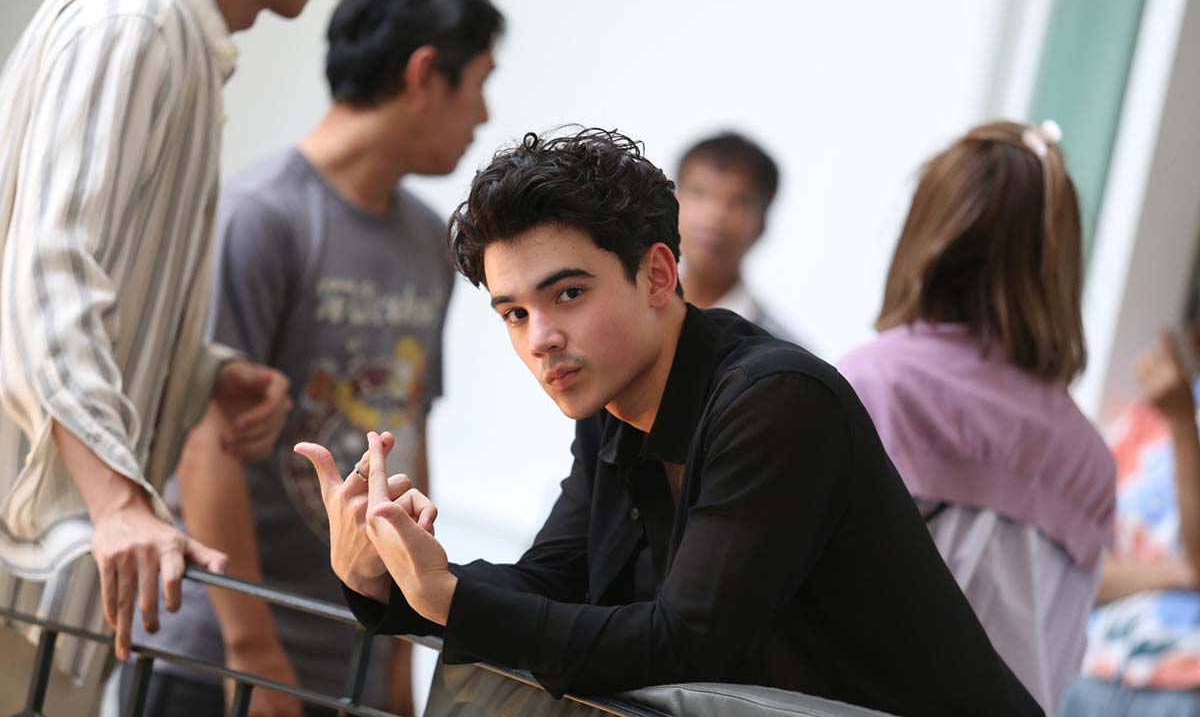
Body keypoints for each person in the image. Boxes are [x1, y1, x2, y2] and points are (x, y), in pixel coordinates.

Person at [296, 128, 1044, 715]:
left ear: (657, 275)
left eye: (567, 295)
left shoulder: (777, 400)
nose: (540, 338)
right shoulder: (609, 405)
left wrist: (448, 600)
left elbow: (684, 641)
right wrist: (384, 577)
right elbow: (554, 582)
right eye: (514, 313)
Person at [123, 0, 502, 717]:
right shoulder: (260, 216)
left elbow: (409, 429)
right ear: (425, 74)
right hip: (217, 655)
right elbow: (205, 441)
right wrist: (252, 651)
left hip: (351, 648)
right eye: (479, 83)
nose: (484, 114)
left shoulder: (430, 240)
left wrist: (399, 642)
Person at [0, 0, 345, 712]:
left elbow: (91, 275)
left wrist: (203, 369)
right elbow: (49, 275)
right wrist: (119, 502)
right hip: (32, 553)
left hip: (55, 555)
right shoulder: (135, 20)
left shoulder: (162, 25)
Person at [836, 120, 1117, 714]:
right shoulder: (1090, 456)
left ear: (925, 232)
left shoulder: (870, 384)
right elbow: (1063, 655)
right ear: (1060, 264)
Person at [1061, 317, 1200, 716]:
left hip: (1184, 685)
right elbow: (1077, 567)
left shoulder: (1174, 412)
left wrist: (1182, 424)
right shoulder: (1140, 422)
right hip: (1093, 671)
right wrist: (1181, 572)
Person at [675, 132, 792, 338]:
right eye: (699, 193)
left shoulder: (781, 348)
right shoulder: (632, 321)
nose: (714, 215)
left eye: (738, 202)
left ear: (761, 225)